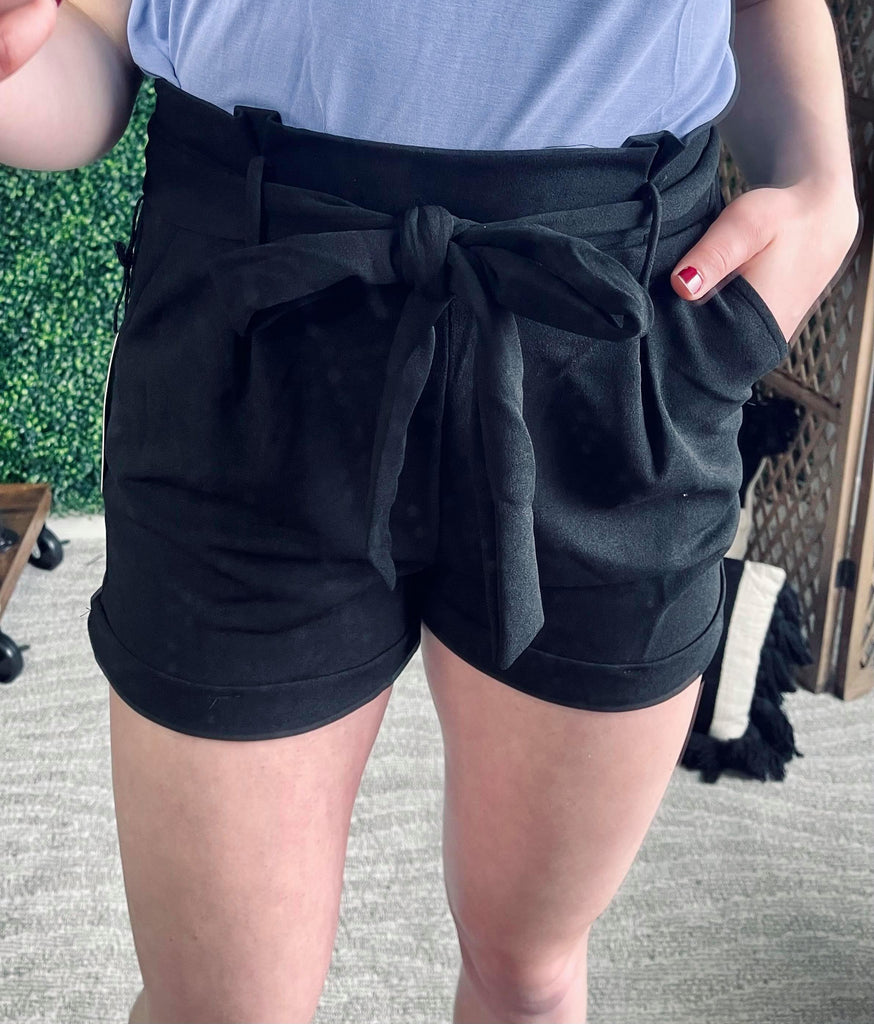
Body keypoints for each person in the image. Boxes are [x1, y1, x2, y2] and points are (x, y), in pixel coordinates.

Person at [0, 1, 859, 1022]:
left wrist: (819, 173)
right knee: (216, 1008)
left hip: (611, 322)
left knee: (528, 973)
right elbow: (96, 40)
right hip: (251, 310)